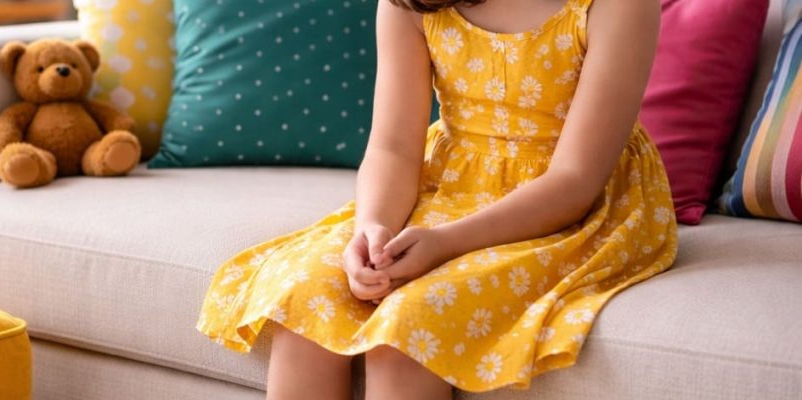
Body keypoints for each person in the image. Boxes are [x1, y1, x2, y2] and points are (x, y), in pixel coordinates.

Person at [197, 0, 677, 399]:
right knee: (307, 300)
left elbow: (575, 180)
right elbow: (392, 148)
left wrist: (445, 243)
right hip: (451, 185)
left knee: (408, 330)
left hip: (569, 205)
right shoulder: (411, 3)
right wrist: (373, 228)